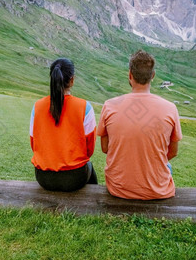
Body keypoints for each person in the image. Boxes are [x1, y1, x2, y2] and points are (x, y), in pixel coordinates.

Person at [97, 50, 182, 200]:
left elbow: (105, 149)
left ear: (130, 75)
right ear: (153, 76)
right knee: (167, 167)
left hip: (118, 188)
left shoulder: (109, 105)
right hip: (157, 190)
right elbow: (173, 152)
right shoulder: (170, 108)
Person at [30, 57, 98, 191]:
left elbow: (33, 143)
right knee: (89, 167)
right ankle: (93, 205)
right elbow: (89, 148)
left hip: (43, 177)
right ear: (72, 80)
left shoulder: (37, 107)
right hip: (74, 177)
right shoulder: (85, 107)